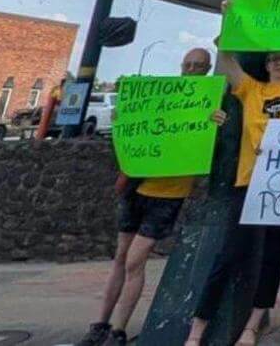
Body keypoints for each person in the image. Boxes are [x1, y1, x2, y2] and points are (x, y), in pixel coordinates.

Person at [186, 0, 280, 346]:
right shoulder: (251, 89)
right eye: (274, 58)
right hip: (249, 182)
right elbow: (225, 60)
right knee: (229, 256)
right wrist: (227, 17)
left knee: (272, 257)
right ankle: (198, 327)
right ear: (267, 64)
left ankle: (253, 325)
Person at [76, 48, 214, 346]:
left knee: (134, 261)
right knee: (122, 257)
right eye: (188, 64)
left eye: (198, 65)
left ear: (208, 68)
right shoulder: (162, 97)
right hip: (137, 186)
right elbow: (135, 129)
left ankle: (119, 329)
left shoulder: (206, 103)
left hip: (169, 194)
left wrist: (218, 119)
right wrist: (121, 118)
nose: (192, 69)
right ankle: (101, 323)